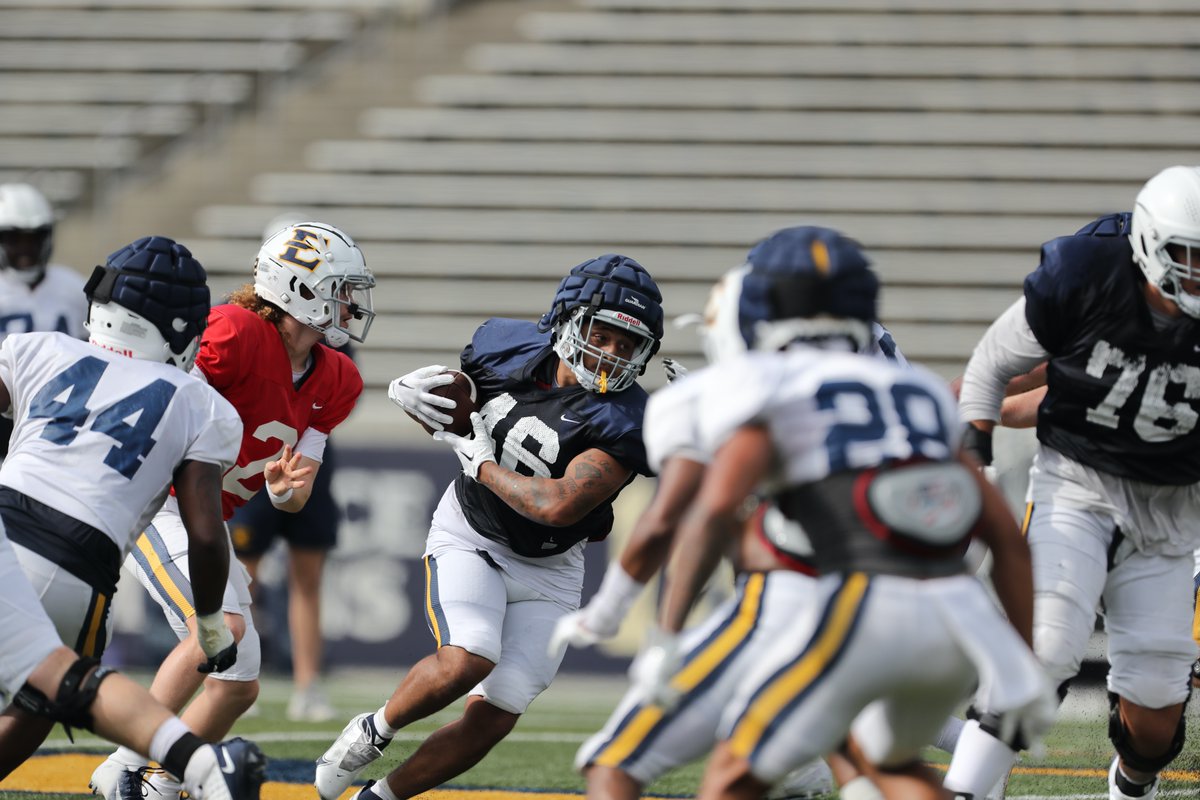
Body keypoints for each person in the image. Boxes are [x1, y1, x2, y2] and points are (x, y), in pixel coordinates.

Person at [636, 226, 1053, 800]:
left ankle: (872, 759)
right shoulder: (863, 345)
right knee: (859, 710)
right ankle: (958, 749)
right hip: (932, 517)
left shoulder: (809, 355)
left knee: (801, 645)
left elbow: (725, 501)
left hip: (882, 523)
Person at [553, 234, 914, 800]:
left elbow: (697, 516)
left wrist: (641, 626)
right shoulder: (912, 391)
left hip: (795, 594)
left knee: (614, 762)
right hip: (910, 591)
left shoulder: (730, 391)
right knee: (855, 754)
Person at [314, 254, 665, 800]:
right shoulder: (506, 347)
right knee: (469, 656)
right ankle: (374, 728)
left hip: (553, 565)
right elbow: (458, 403)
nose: (612, 354)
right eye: (604, 334)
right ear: (568, 320)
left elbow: (557, 507)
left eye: (628, 344)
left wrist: (481, 463)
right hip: (473, 533)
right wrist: (417, 397)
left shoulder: (625, 419)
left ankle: (379, 797)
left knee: (497, 714)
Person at [92, 222, 374, 799]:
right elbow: (161, 405)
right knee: (218, 631)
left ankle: (160, 783)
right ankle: (122, 764)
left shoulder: (338, 378)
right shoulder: (234, 332)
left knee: (239, 683)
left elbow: (297, 491)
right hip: (154, 499)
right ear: (300, 290)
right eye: (340, 290)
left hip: (207, 518)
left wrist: (277, 492)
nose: (350, 305)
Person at [948, 165, 1200, 800]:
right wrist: (974, 465)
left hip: (1173, 509)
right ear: (1145, 246)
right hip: (1078, 486)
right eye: (1186, 257)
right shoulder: (1087, 278)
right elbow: (992, 369)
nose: (1196, 274)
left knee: (1156, 717)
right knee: (1043, 646)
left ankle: (1132, 783)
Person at [0, 235, 265, 798]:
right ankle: (200, 768)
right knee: (54, 696)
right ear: (180, 328)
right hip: (79, 564)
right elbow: (204, 530)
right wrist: (212, 619)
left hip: (6, 522)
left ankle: (197, 767)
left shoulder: (37, 347)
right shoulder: (201, 402)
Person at [0, 182, 88, 459]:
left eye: (34, 237)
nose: (26, 248)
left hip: (61, 412)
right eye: (15, 239)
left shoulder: (75, 288)